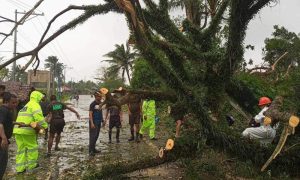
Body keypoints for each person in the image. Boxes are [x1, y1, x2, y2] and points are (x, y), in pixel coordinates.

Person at [13, 90, 48, 173]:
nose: (41, 99)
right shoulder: (35, 105)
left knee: (21, 149)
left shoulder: (26, 106)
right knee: (32, 147)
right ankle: (32, 165)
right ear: (38, 97)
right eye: (40, 97)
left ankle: (20, 169)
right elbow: (39, 119)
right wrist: (45, 127)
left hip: (18, 130)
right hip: (27, 131)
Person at [0, 92, 18, 179]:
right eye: (13, 103)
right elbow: (0, 124)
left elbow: (7, 122)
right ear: (6, 101)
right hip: (1, 141)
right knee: (2, 162)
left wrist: (17, 123)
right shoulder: (4, 110)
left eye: (16, 103)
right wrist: (4, 138)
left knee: (3, 162)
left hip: (4, 140)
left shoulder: (6, 111)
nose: (15, 105)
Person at [89, 92, 104, 156]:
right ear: (96, 97)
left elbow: (100, 112)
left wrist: (102, 120)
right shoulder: (93, 104)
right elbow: (90, 114)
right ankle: (91, 151)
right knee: (93, 136)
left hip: (99, 122)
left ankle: (94, 149)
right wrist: (92, 123)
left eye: (101, 96)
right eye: (99, 97)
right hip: (94, 122)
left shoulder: (100, 103)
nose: (100, 98)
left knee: (96, 136)